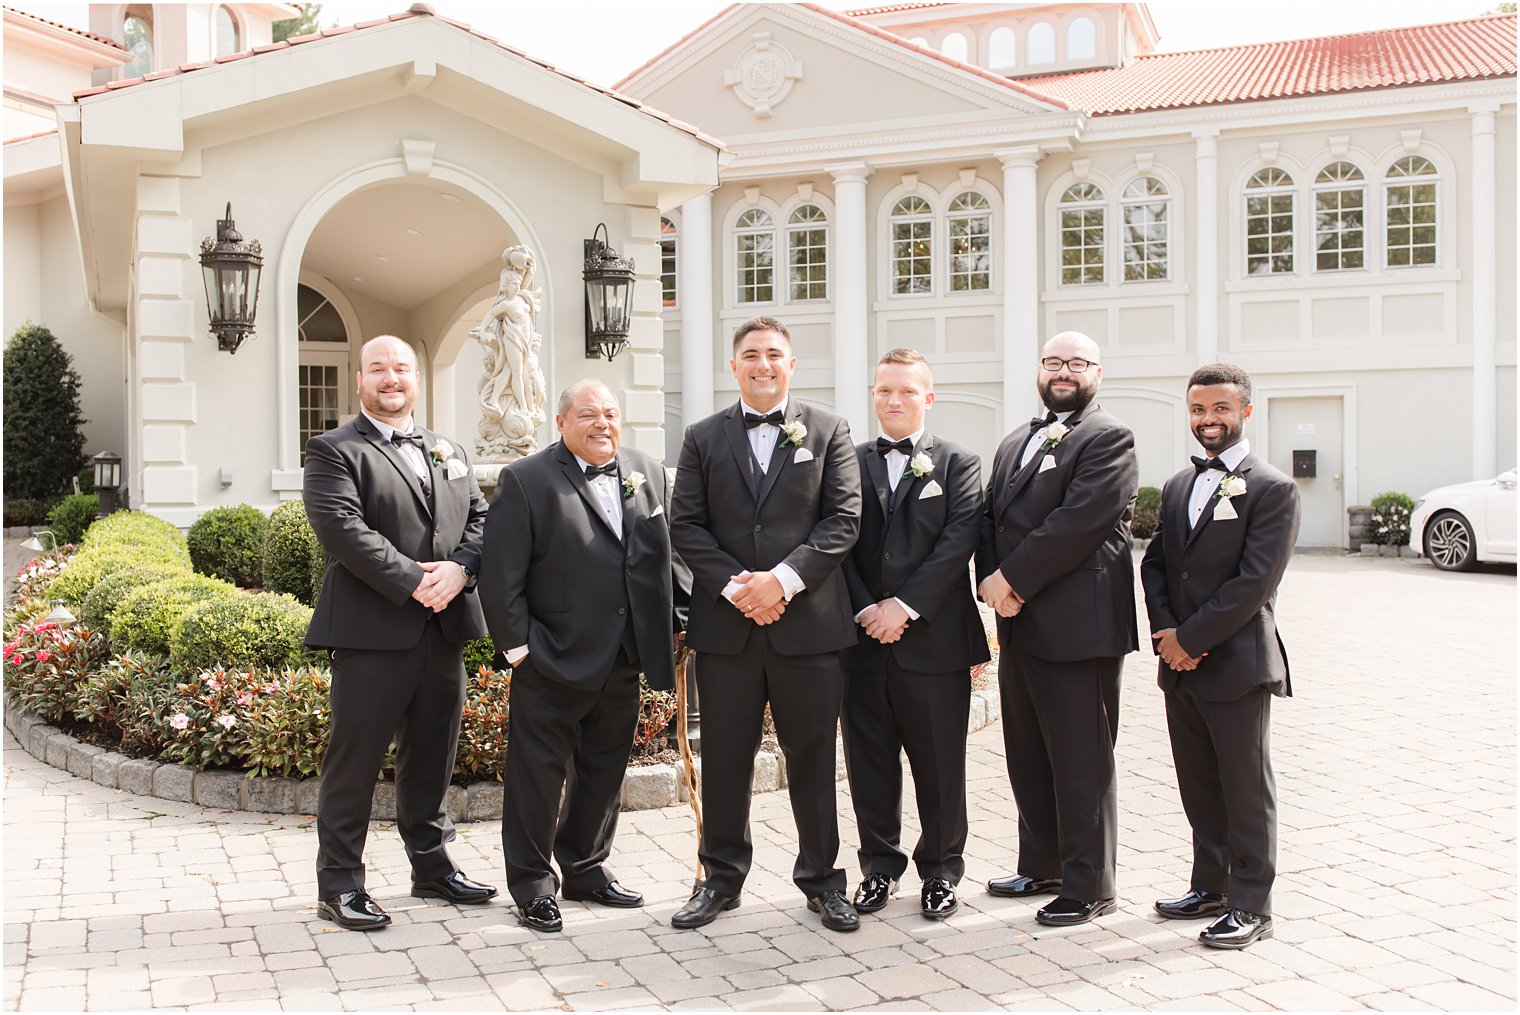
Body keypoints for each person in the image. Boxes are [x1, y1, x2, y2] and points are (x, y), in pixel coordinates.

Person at [669, 316, 863, 933]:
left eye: (773, 354)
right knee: (726, 757)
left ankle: (823, 881)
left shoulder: (830, 430)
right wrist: (739, 588)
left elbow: (843, 520)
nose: (762, 364)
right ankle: (719, 880)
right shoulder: (702, 437)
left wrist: (779, 582)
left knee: (812, 755)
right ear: (734, 366)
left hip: (807, 626)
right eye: (750, 354)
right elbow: (687, 526)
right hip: (728, 631)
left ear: (791, 363)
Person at [478, 379, 689, 933]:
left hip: (624, 657)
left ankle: (586, 868)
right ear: (562, 422)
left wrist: (681, 624)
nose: (603, 423)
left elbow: (670, 556)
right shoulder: (525, 481)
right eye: (590, 414)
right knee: (537, 780)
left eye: (611, 413)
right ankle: (531, 884)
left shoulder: (648, 471)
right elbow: (501, 577)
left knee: (603, 772)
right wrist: (521, 651)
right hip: (551, 659)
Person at [303, 334, 498, 931]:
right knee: (355, 760)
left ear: (417, 379)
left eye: (402, 369)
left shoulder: (449, 449)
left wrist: (461, 569)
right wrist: (417, 580)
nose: (392, 379)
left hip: (442, 631)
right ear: (360, 381)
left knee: (432, 755)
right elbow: (342, 529)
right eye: (378, 369)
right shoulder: (334, 450)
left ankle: (432, 866)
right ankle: (339, 885)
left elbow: (483, 520)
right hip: (372, 633)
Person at [976, 330, 1138, 927]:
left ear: (1098, 371)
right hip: (1018, 623)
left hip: (1079, 627)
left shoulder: (1108, 437)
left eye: (1077, 363)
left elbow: (1080, 521)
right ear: (1040, 370)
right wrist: (990, 579)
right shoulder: (1016, 437)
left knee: (1080, 759)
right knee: (1028, 752)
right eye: (1053, 362)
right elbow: (989, 515)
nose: (1063, 371)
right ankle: (1041, 863)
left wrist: (1011, 580)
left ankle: (1090, 883)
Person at [1140, 363, 1300, 950]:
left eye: (1221, 409)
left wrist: (1192, 639)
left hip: (1237, 663)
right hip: (1177, 661)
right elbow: (1156, 563)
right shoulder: (1180, 485)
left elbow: (1254, 582)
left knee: (1245, 786)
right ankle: (1209, 885)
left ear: (1245, 412)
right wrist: (1166, 632)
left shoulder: (1273, 488)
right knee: (1198, 782)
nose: (1209, 420)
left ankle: (1252, 905)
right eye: (1199, 410)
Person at [839, 349, 988, 922]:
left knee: (940, 764)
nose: (893, 401)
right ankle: (878, 867)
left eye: (905, 391)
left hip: (934, 642)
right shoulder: (847, 462)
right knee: (868, 761)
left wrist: (903, 607)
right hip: (863, 642)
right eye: (883, 391)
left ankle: (942, 870)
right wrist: (864, 609)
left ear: (929, 397)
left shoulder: (958, 463)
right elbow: (838, 538)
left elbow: (958, 543)